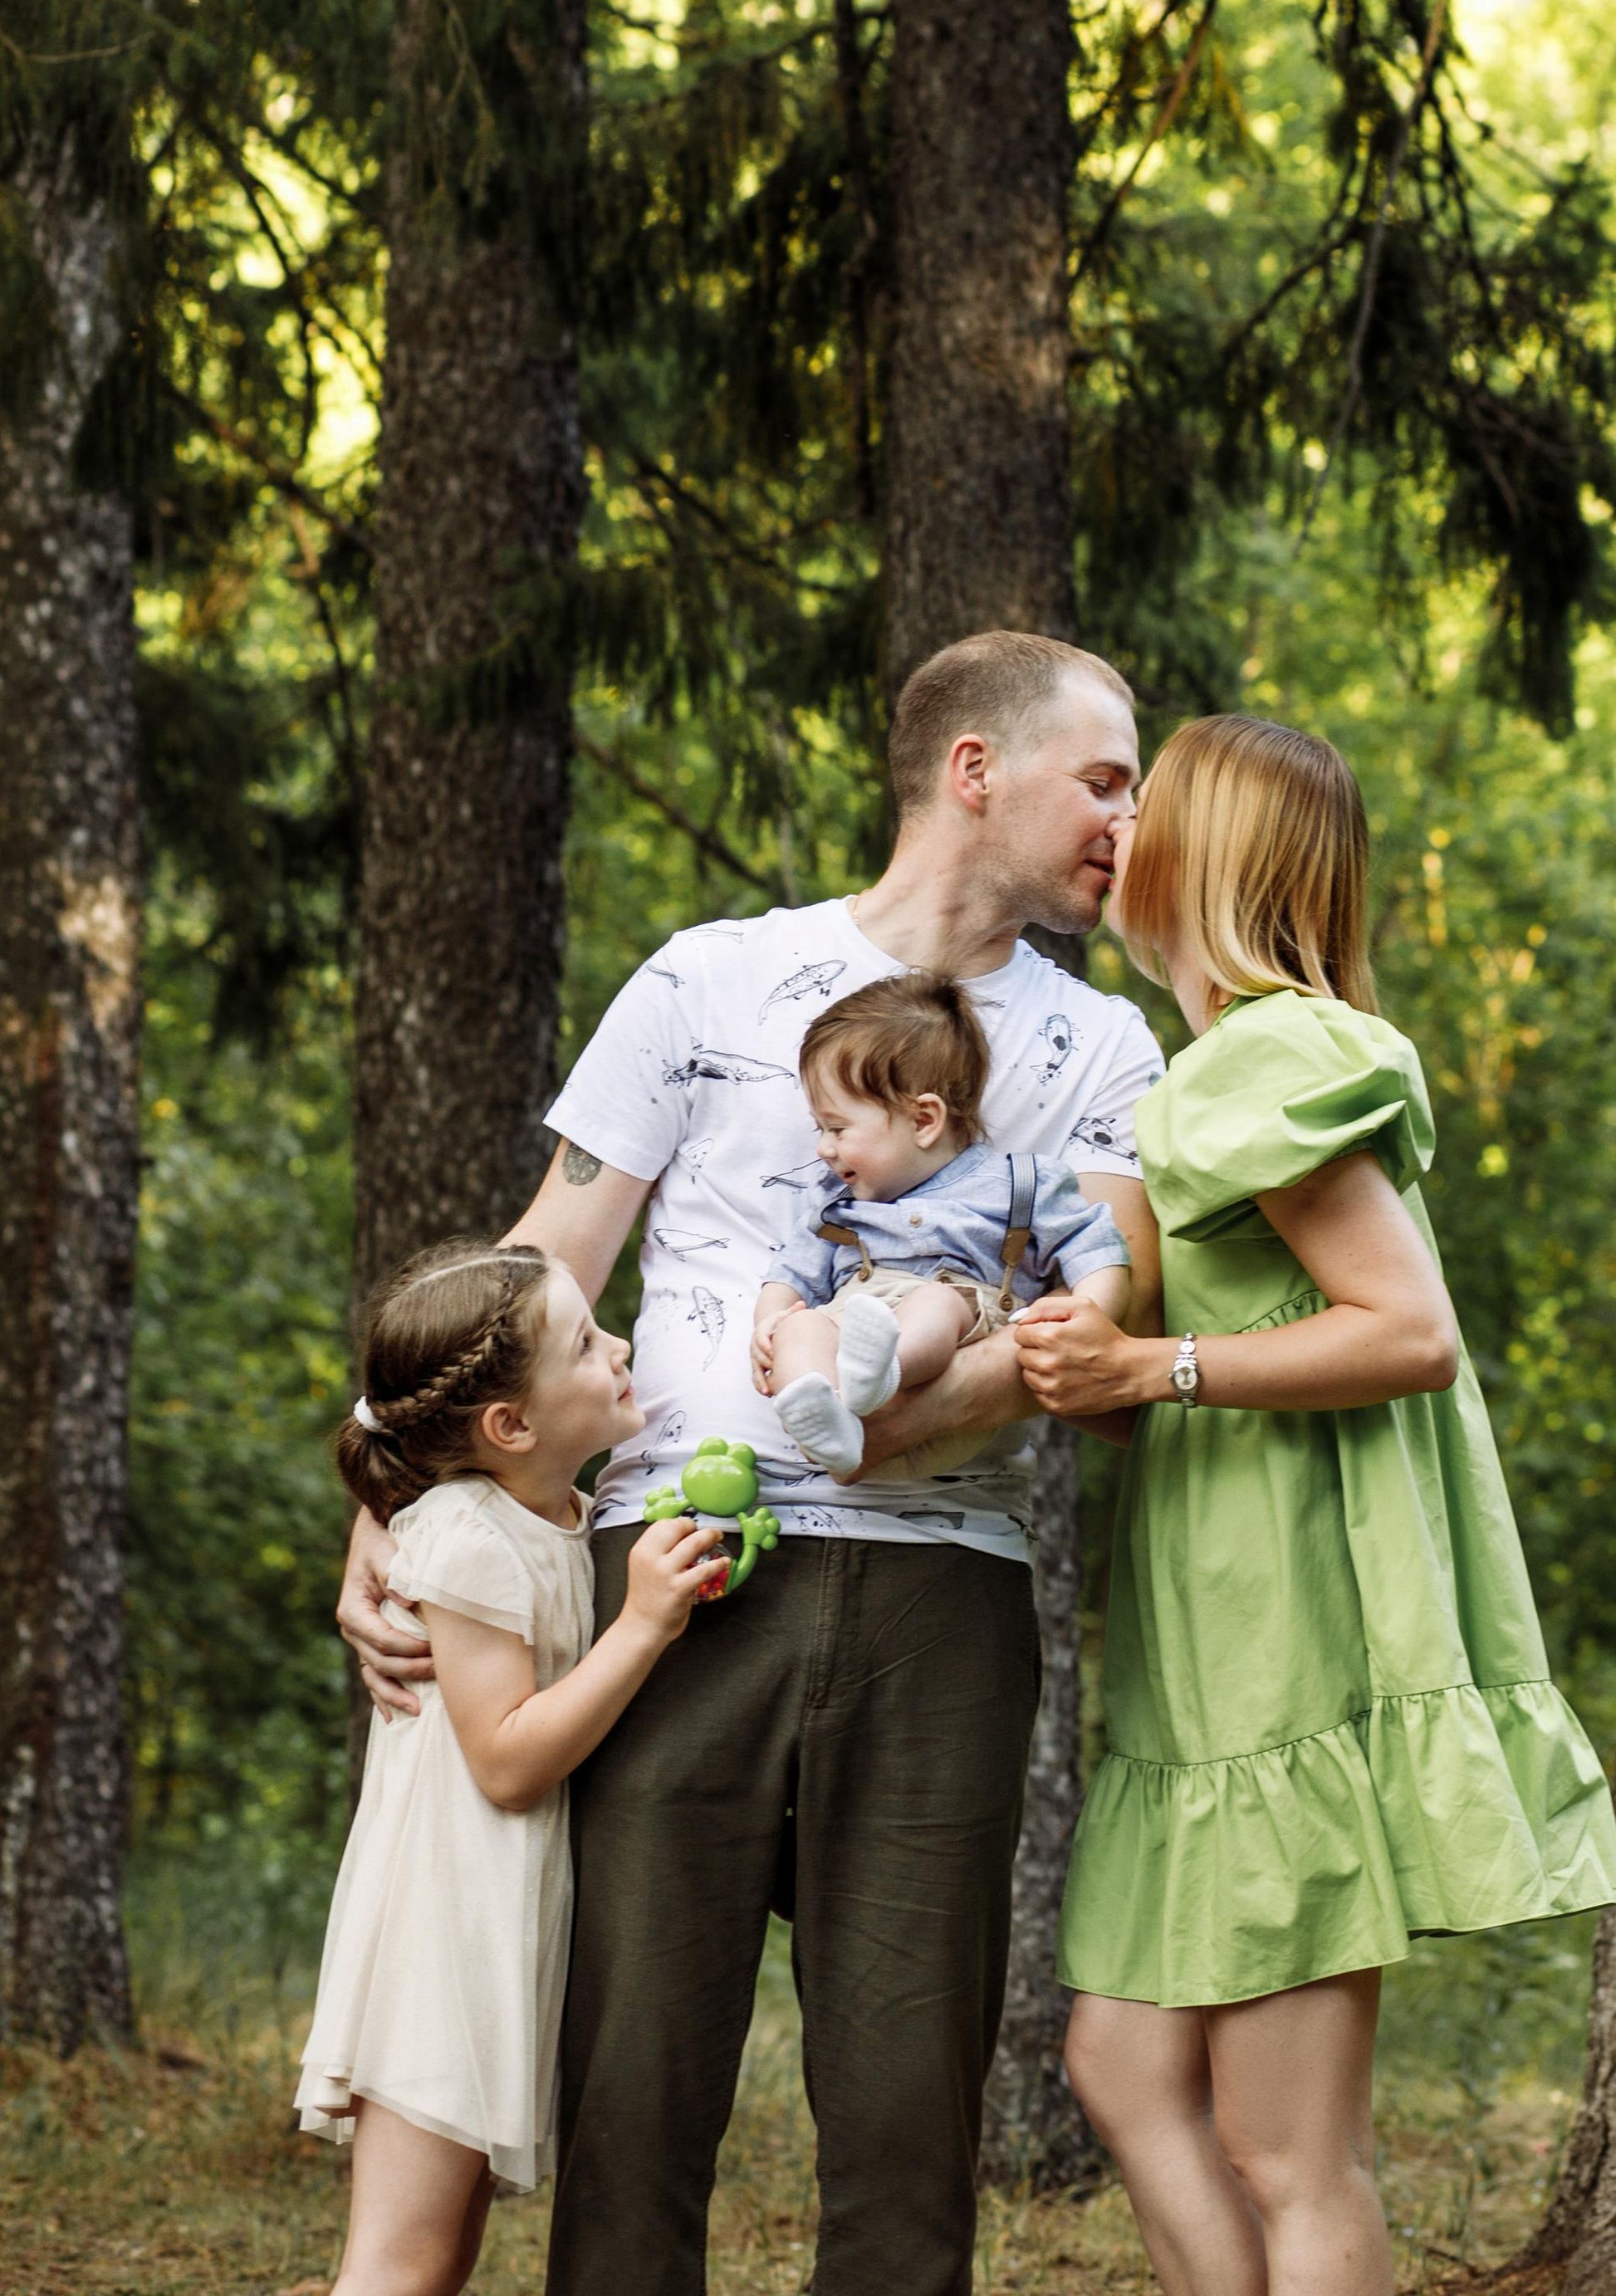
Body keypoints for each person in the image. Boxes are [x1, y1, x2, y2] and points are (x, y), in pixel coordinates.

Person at [334, 630, 1163, 2296]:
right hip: (668, 1586)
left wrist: (876, 1410)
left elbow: (1108, 1322)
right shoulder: (708, 980)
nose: (1128, 824)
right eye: (1101, 779)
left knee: (905, 2108)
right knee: (628, 2081)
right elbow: (550, 1250)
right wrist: (391, 1490)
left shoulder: (1105, 1053)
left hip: (943, 1600)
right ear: (971, 770)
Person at [1016, 715, 1616, 2296]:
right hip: (1208, 1657)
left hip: (1290, 1646)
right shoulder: (1204, 1077)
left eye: (1148, 799)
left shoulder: (1278, 1056)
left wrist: (1158, 1373)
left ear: (1209, 853)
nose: (1120, 818)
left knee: (1294, 2150)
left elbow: (1407, 1332)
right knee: (1127, 2073)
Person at [298, 1243, 727, 2296]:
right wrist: (644, 1626)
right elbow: (503, 1764)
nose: (620, 1345)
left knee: (437, 2257)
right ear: (513, 1427)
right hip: (441, 1930)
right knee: (403, 2264)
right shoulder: (464, 1536)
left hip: (493, 1914)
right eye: (586, 1342)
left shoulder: (547, 1517)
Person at [752, 969, 1134, 1478]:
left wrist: (1089, 1316)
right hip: (851, 1372)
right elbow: (789, 1274)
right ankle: (826, 1418)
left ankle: (880, 1373)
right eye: (820, 1128)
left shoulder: (1022, 1183)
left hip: (951, 1372)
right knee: (801, 1325)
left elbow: (1098, 1250)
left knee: (934, 1301)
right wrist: (769, 1326)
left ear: (924, 1120)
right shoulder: (834, 1204)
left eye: (838, 1128)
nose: (823, 1148)